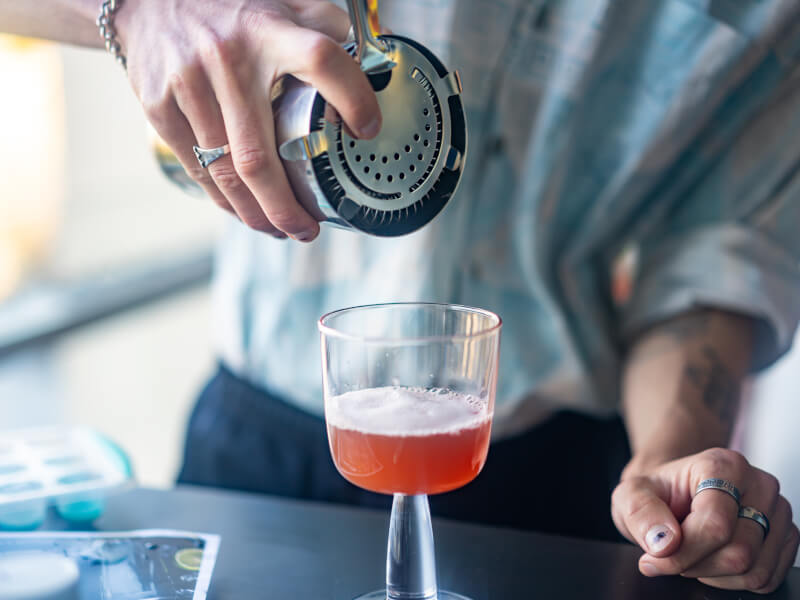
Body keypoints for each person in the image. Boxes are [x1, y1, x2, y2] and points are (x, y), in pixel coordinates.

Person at [4, 0, 800, 592]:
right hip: (263, 453)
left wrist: (668, 456)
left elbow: (706, 264)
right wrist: (142, 9)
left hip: (562, 486)